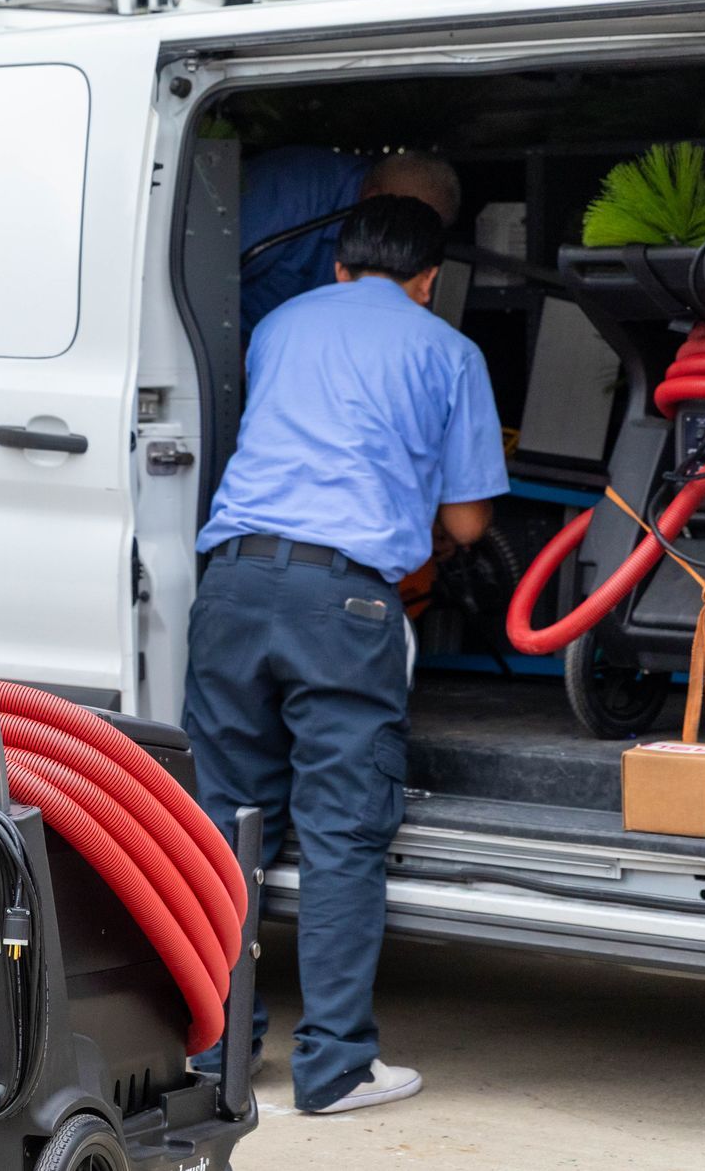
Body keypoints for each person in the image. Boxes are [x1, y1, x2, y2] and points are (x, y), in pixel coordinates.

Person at [183, 194, 508, 1115]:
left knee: (225, 824)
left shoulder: (280, 323)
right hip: (344, 603)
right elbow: (470, 519)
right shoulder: (448, 350)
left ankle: (216, 1057)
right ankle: (333, 1067)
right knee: (342, 830)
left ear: (339, 266)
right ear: (429, 281)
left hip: (233, 588)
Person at [238, 147, 462, 333]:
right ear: (373, 201)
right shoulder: (290, 193)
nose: (415, 248)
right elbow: (210, 279)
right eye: (414, 231)